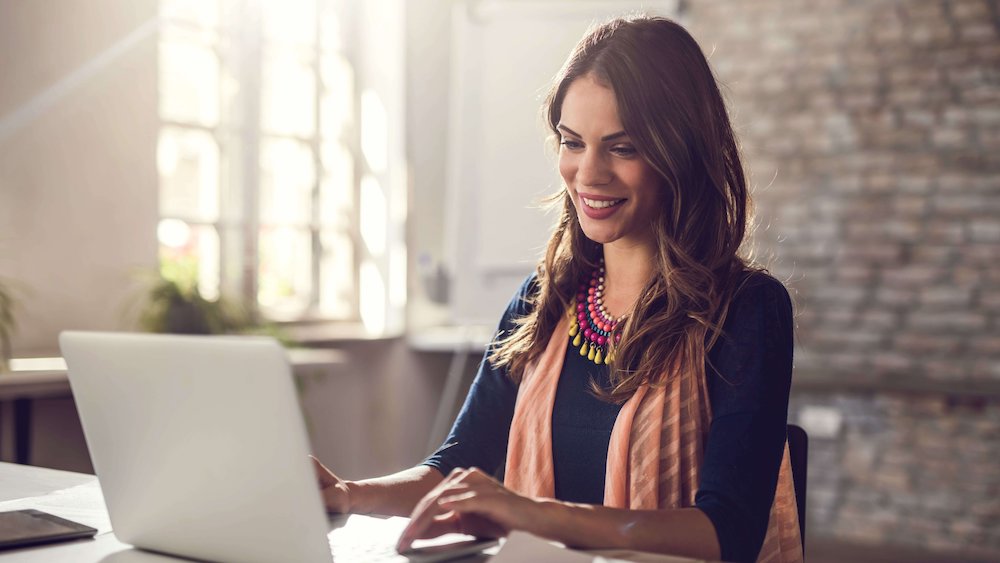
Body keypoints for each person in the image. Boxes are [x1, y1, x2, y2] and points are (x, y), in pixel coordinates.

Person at [312, 15, 803, 563]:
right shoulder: (543, 299)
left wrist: (536, 515)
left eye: (622, 148)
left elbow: (726, 534)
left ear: (679, 152)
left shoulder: (748, 309)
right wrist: (348, 495)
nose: (587, 174)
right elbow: (457, 467)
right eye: (572, 143)